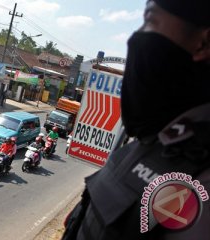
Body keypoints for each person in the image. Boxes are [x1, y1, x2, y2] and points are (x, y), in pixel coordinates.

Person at [62, 0, 210, 239]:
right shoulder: (156, 141)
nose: (136, 37)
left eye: (150, 21)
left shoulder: (200, 180)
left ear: (203, 43)